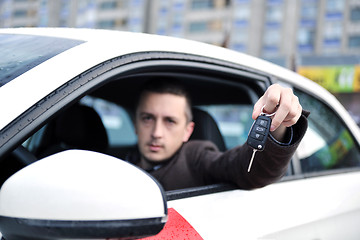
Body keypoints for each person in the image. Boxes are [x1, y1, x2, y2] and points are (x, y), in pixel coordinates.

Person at [126, 80, 309, 191]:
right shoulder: (116, 163)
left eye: (170, 121)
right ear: (135, 124)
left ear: (188, 131)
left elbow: (249, 170)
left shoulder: (196, 158)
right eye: (148, 118)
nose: (157, 133)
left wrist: (277, 123)